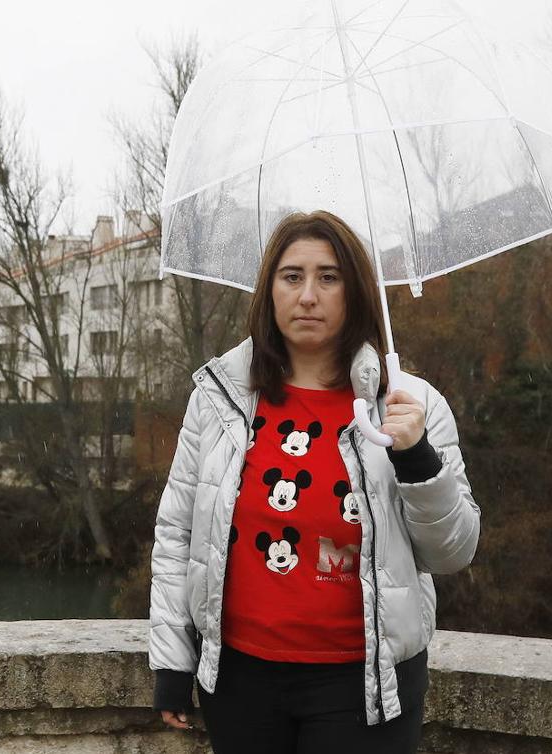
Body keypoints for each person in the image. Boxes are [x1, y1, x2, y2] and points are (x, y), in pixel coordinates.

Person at [148, 210, 480, 753]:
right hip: (240, 682)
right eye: (292, 276)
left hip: (363, 687)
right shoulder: (217, 400)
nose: (308, 295)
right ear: (268, 291)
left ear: (356, 292)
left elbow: (453, 552)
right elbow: (177, 534)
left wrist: (417, 457)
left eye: (329, 277)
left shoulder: (410, 407)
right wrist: (172, 659)